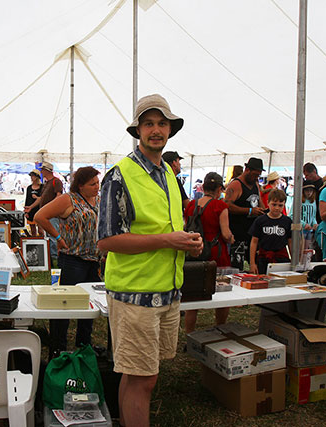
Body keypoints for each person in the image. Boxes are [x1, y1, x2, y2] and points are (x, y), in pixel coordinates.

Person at [97, 94, 202, 427]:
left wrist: (186, 244)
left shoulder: (168, 174)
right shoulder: (119, 176)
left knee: (141, 376)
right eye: (149, 124)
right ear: (138, 130)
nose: (156, 130)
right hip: (135, 294)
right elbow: (106, 241)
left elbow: (168, 229)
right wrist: (166, 240)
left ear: (170, 129)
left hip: (167, 291)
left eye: (161, 124)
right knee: (142, 379)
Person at [35, 166, 101, 356]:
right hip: (73, 260)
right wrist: (57, 237)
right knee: (64, 303)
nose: (97, 187)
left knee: (89, 304)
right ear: (80, 185)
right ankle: (58, 346)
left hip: (94, 260)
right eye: (92, 184)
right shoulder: (68, 199)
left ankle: (84, 344)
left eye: (98, 183)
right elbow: (40, 216)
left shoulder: (98, 200)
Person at [183, 172, 234, 332]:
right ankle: (220, 329)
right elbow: (225, 235)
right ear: (219, 189)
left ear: (203, 186)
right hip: (216, 253)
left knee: (193, 296)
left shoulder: (191, 204)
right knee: (223, 295)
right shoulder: (220, 206)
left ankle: (190, 334)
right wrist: (232, 239)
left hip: (195, 251)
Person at [224, 157, 266, 270]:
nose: (256, 177)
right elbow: (227, 205)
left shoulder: (255, 184)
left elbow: (259, 200)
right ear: (247, 170)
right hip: (238, 233)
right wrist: (249, 211)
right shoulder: (236, 185)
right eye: (255, 175)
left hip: (252, 233)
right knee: (239, 266)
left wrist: (265, 212)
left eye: (258, 175)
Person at [249, 189, 293, 274]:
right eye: (274, 204)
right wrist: (252, 263)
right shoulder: (260, 220)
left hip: (281, 258)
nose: (277, 208)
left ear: (284, 205)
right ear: (268, 202)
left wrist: (293, 261)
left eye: (280, 205)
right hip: (264, 258)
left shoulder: (287, 221)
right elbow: (254, 242)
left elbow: (290, 242)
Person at [36, 161, 63, 266]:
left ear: (47, 170)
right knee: (50, 234)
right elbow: (42, 198)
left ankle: (55, 255)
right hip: (47, 214)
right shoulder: (47, 182)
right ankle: (53, 255)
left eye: (42, 170)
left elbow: (59, 196)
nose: (41, 172)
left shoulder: (56, 182)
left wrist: (50, 208)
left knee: (54, 234)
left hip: (52, 214)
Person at [23, 169, 44, 236]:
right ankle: (34, 243)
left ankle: (42, 243)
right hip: (31, 210)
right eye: (31, 176)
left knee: (41, 230)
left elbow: (43, 198)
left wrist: (37, 198)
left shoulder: (42, 187)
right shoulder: (29, 187)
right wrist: (26, 212)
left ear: (37, 177)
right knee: (32, 229)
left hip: (40, 210)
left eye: (33, 176)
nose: (32, 177)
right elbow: (27, 199)